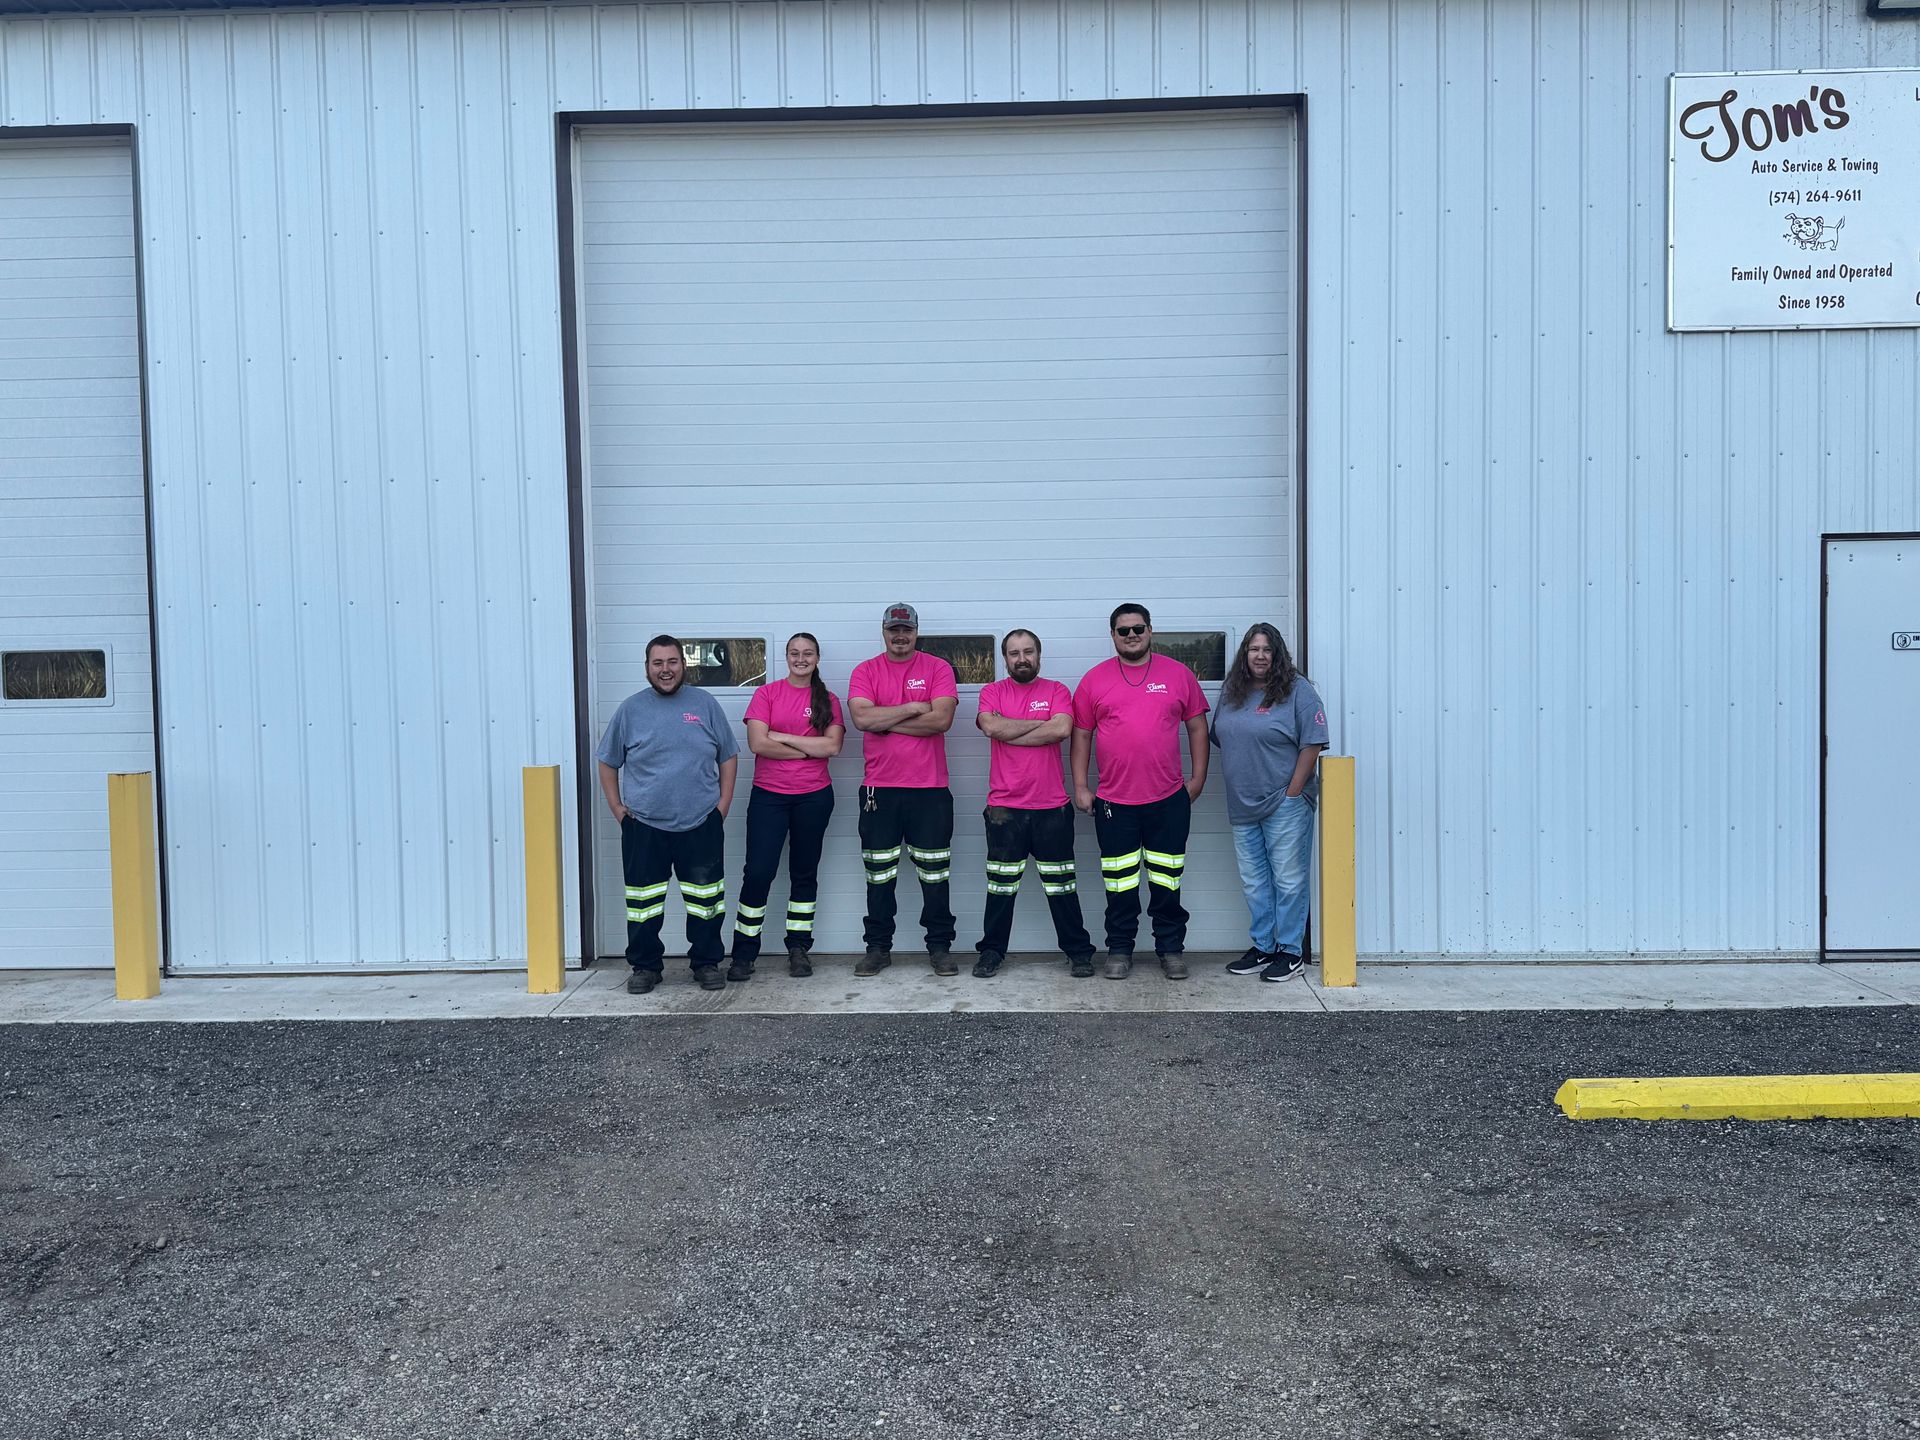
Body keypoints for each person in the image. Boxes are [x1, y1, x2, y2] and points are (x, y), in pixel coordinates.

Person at [1071, 603, 1209, 980]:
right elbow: (1081, 735)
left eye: (1138, 628)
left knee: (1167, 882)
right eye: (1123, 630)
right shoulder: (1094, 680)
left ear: (1150, 631)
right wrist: (1081, 786)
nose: (1131, 636)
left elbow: (1198, 727)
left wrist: (1198, 779)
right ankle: (1119, 950)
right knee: (1120, 885)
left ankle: (1171, 950)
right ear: (1112, 635)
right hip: (1114, 803)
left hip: (1168, 800)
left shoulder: (1178, 675)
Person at [595, 635, 738, 994]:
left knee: (706, 903)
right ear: (647, 667)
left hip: (701, 824)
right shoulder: (630, 710)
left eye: (672, 662)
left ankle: (706, 963)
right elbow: (607, 761)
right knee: (643, 905)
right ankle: (645, 967)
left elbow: (728, 755)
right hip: (644, 826)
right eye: (657, 663)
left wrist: (722, 806)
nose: (665, 669)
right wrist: (618, 809)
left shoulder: (704, 704)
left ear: (683, 665)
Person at [972, 629, 1095, 978]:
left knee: (1062, 887)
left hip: (1051, 809)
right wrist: (1039, 726)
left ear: (1039, 655)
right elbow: (991, 727)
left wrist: (1010, 730)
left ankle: (1078, 952)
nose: (1021, 658)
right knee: (1000, 889)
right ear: (1005, 658)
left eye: (1028, 651)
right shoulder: (992, 691)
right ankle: (992, 952)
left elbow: (1061, 730)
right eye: (1014, 653)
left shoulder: (1057, 691)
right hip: (1004, 810)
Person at [1210, 625, 1329, 982]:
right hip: (1243, 804)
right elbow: (1222, 736)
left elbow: (1313, 742)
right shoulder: (1233, 691)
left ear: (1277, 654)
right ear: (1244, 654)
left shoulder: (1298, 690)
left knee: (1288, 881)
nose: (1260, 656)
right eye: (1253, 649)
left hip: (1284, 803)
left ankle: (1290, 952)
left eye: (1267, 649)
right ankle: (1263, 947)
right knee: (1254, 882)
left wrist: (1293, 792)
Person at [847, 602, 959, 976]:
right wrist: (913, 707)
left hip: (930, 790)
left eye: (906, 629)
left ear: (916, 631)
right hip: (879, 792)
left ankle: (940, 948)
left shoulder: (938, 668)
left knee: (935, 876)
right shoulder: (865, 671)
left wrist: (884, 721)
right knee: (879, 877)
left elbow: (940, 720)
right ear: (883, 631)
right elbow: (861, 717)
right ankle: (878, 948)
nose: (900, 636)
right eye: (894, 629)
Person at [728, 633, 845, 982]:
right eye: (794, 653)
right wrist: (808, 750)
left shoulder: (828, 699)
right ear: (786, 657)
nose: (801, 658)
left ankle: (798, 948)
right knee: (758, 872)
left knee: (804, 874)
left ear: (817, 658)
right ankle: (744, 953)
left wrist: (782, 737)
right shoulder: (767, 694)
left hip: (814, 796)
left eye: (807, 653)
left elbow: (833, 747)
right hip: (769, 797)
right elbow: (758, 744)